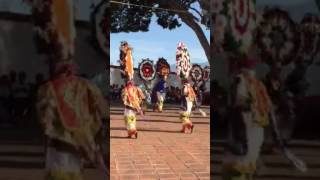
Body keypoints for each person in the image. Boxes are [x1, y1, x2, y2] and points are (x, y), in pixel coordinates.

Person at [36, 62, 108, 180]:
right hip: (80, 140)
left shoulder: (49, 88)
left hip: (59, 143)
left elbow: (45, 121)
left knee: (59, 171)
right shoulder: (87, 85)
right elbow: (101, 109)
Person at [223, 58, 272, 180]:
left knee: (254, 144)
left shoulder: (253, 82)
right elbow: (239, 101)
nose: (252, 71)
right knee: (249, 145)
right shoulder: (241, 81)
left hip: (254, 118)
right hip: (246, 117)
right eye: (250, 68)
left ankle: (251, 168)